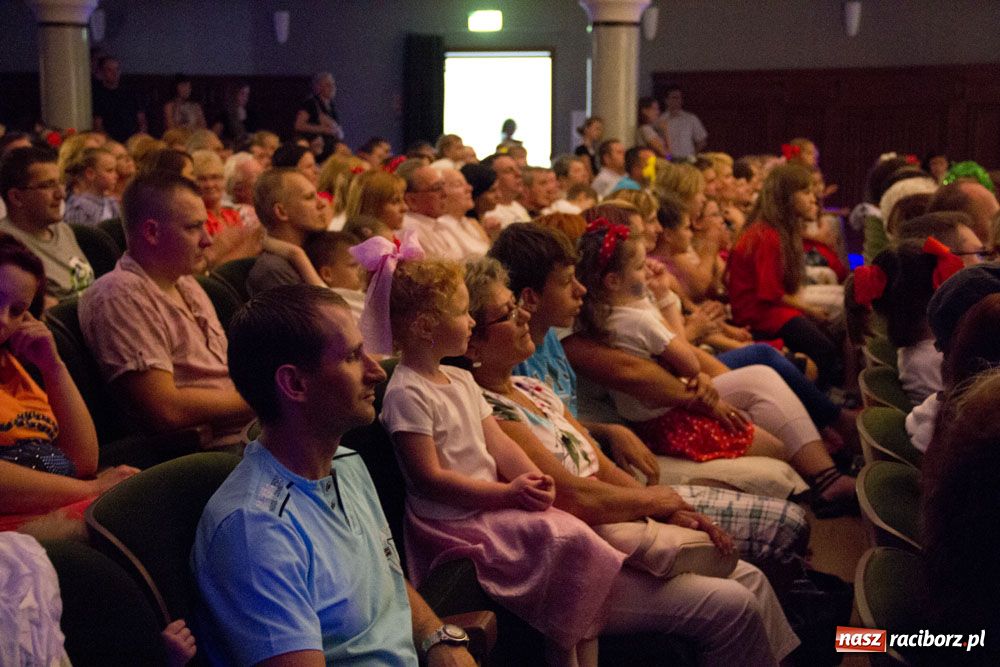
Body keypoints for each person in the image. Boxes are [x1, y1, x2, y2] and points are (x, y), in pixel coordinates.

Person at [462, 257, 801, 663]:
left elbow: (601, 465)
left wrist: (669, 511)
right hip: (578, 558)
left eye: (517, 304)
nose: (523, 315)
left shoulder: (530, 386)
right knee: (732, 605)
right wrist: (659, 503)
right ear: (472, 342)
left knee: (752, 578)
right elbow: (569, 496)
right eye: (506, 313)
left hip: (615, 528)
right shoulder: (490, 411)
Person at [193, 284, 477, 666]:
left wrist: (435, 637)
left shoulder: (346, 463)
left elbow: (384, 577)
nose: (377, 371)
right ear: (294, 384)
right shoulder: (255, 530)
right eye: (353, 357)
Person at [371, 248, 624, 666]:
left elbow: (497, 443)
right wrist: (507, 493)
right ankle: (563, 647)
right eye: (463, 313)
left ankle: (578, 642)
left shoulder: (458, 378)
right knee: (570, 538)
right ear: (425, 327)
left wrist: (534, 479)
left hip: (488, 504)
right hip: (452, 520)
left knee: (575, 533)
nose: (471, 322)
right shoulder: (407, 393)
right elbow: (429, 478)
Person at [79, 173, 255, 446]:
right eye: (193, 228)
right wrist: (262, 397)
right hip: (206, 453)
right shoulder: (119, 294)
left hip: (249, 434)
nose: (207, 240)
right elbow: (165, 409)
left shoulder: (185, 281)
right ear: (152, 232)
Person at [0, 233, 137, 534]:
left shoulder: (14, 367)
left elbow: (83, 461)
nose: (3, 319)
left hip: (58, 506)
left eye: (17, 311)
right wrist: (92, 490)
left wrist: (53, 367)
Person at [727, 164, 843, 388]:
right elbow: (769, 294)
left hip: (768, 309)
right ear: (787, 198)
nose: (813, 198)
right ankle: (825, 402)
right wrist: (811, 311)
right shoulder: (766, 236)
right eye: (806, 192)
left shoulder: (773, 230)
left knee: (824, 338)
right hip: (758, 314)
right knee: (823, 349)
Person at [0, 147, 94, 306]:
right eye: (47, 186)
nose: (61, 194)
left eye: (60, 183)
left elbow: (85, 285)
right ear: (16, 197)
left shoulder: (62, 230)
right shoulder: (7, 246)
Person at [247, 168, 327, 295]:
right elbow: (330, 313)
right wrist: (297, 255)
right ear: (281, 212)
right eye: (309, 197)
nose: (322, 203)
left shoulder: (318, 248)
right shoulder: (272, 270)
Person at [191, 150, 260, 268]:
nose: (210, 184)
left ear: (224, 180)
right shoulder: (195, 220)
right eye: (202, 179)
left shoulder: (232, 213)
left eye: (215, 177)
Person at [303, 230, 365, 323]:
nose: (363, 270)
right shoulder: (329, 300)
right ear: (327, 274)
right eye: (353, 265)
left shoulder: (367, 290)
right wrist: (295, 253)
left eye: (363, 263)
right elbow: (297, 256)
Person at [91, 56, 148, 142]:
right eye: (110, 70)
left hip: (133, 139)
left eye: (117, 69)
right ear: (102, 72)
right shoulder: (98, 95)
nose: (115, 73)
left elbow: (141, 120)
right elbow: (98, 125)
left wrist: (140, 137)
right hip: (110, 141)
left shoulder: (131, 92)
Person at [63, 146, 122, 226]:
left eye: (115, 170)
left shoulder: (112, 203)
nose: (116, 176)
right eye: (109, 171)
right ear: (90, 174)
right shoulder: (79, 208)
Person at [294, 72, 343, 159]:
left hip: (330, 147)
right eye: (328, 85)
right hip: (318, 149)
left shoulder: (331, 105)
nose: (332, 88)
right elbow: (299, 125)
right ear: (318, 87)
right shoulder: (310, 103)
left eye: (333, 84)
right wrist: (323, 129)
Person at [344, 168, 408, 234]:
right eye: (395, 201)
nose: (405, 208)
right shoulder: (365, 243)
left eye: (403, 199)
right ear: (370, 207)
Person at [480, 154, 528, 232]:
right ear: (493, 178)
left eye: (517, 168)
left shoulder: (517, 206)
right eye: (509, 171)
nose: (518, 174)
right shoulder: (490, 215)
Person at [655, 85, 706, 159]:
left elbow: (701, 141)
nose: (678, 100)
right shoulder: (660, 120)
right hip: (668, 160)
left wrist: (691, 156)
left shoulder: (690, 119)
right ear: (666, 100)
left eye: (680, 98)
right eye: (674, 98)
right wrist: (668, 158)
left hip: (687, 160)